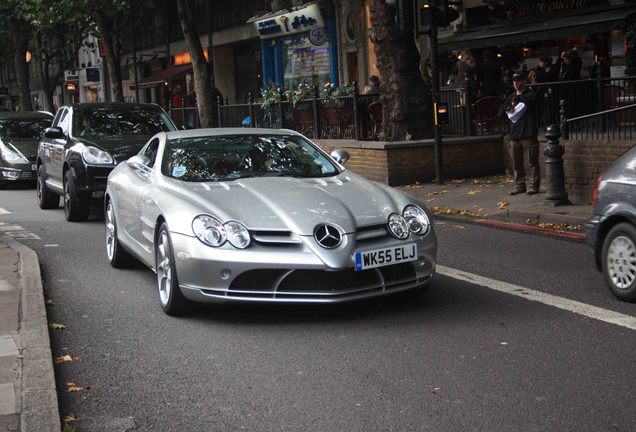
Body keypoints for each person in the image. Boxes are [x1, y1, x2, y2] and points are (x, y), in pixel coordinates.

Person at [498, 72, 540, 195]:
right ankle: (520, 185)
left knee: (533, 161)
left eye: (518, 80)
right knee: (517, 163)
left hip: (529, 133)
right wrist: (508, 107)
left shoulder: (530, 94)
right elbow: (501, 112)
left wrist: (520, 99)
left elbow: (534, 97)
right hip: (515, 135)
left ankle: (534, 186)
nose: (515, 83)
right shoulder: (511, 97)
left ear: (524, 81)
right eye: (514, 81)